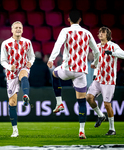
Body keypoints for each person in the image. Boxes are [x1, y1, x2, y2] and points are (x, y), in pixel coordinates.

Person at [47, 10, 100, 139]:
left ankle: (59, 102)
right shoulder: (87, 33)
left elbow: (58, 44)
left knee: (54, 74)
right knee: (82, 101)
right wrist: (95, 63)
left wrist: (51, 59)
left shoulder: (66, 31)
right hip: (81, 72)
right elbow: (97, 51)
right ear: (80, 19)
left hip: (67, 69)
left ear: (68, 19)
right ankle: (82, 131)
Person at [86, 27, 124, 135]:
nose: (101, 34)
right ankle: (101, 115)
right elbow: (96, 62)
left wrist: (112, 53)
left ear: (108, 35)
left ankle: (112, 129)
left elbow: (123, 54)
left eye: (103, 32)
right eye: (100, 32)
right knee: (88, 97)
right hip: (98, 78)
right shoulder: (97, 47)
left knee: (107, 104)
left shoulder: (113, 46)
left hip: (109, 80)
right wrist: (94, 73)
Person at [0, 21, 35, 137]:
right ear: (12, 30)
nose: (18, 29)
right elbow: (2, 61)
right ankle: (15, 130)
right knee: (12, 102)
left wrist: (30, 62)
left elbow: (32, 56)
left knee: (24, 75)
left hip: (23, 67)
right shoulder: (6, 43)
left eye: (20, 28)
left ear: (23, 30)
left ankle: (25, 95)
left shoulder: (27, 42)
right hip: (11, 73)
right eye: (16, 28)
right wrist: (10, 67)